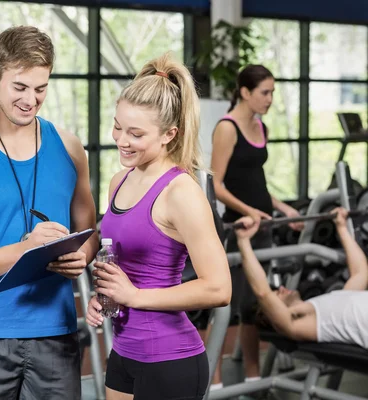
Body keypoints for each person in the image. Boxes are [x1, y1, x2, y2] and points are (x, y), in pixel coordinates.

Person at [0, 26, 98, 400]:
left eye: (40, 88)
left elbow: (88, 231)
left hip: (56, 332)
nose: (31, 100)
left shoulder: (70, 148)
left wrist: (81, 256)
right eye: (20, 88)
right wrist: (28, 249)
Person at [85, 53, 232, 400]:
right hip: (124, 352)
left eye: (135, 133)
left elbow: (219, 289)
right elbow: (123, 265)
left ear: (169, 134)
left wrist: (134, 296)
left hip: (170, 359)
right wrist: (104, 297)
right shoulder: (119, 181)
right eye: (118, 126)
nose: (121, 139)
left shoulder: (181, 192)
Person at [208, 64, 304, 389]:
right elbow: (218, 185)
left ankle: (253, 378)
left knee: (254, 304)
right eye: (265, 92)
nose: (270, 98)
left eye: (273, 92)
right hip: (237, 227)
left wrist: (281, 206)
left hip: (260, 226)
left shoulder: (261, 127)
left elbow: (255, 181)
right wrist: (249, 211)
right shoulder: (227, 128)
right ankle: (215, 380)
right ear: (245, 92)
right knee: (225, 304)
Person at [234, 207, 368, 348]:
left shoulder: (336, 299)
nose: (281, 288)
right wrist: (243, 241)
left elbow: (360, 272)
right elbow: (263, 293)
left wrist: (341, 226)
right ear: (269, 314)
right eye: (277, 294)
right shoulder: (298, 325)